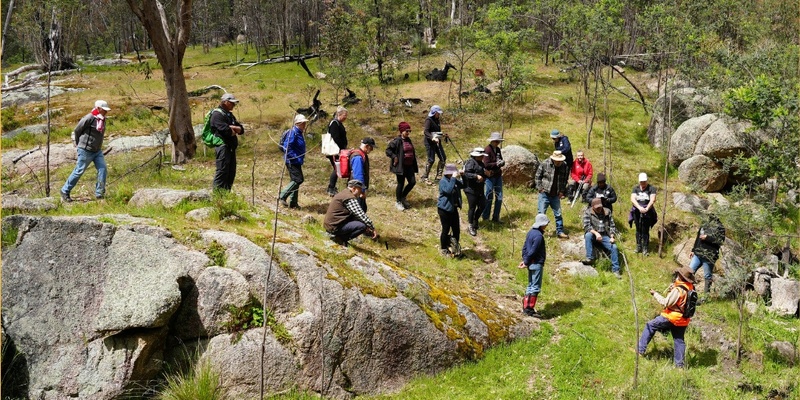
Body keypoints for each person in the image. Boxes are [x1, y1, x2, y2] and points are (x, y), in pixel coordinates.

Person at [637, 266, 696, 368]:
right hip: (684, 319)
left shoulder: (678, 290)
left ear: (680, 276)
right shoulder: (690, 287)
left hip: (672, 317)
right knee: (679, 340)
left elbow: (666, 303)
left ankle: (640, 351)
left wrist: (655, 294)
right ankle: (679, 366)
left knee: (650, 325)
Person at [61, 100, 112, 202]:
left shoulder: (102, 119)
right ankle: (65, 191)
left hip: (97, 151)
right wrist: (78, 144)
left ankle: (99, 194)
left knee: (103, 169)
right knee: (79, 171)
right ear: (98, 108)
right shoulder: (89, 118)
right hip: (85, 150)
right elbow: (77, 130)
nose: (106, 112)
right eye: (104, 110)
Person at [324, 179, 378, 246]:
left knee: (359, 221)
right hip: (334, 227)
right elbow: (360, 214)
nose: (361, 192)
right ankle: (341, 239)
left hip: (331, 225)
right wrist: (372, 228)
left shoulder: (344, 193)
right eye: (360, 190)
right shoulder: (349, 197)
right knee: (362, 226)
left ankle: (339, 236)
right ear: (354, 188)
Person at [210, 93, 245, 192]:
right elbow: (226, 131)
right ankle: (217, 194)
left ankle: (226, 193)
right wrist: (232, 129)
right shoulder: (217, 115)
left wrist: (234, 127)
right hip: (222, 147)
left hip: (231, 148)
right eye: (232, 103)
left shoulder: (229, 115)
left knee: (231, 172)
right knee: (222, 171)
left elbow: (241, 129)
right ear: (225, 102)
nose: (234, 105)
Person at [518, 213, 550, 318]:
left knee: (530, 285)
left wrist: (525, 260)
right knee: (535, 286)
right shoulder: (539, 236)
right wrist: (526, 262)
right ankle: (529, 309)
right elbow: (533, 250)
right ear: (542, 224)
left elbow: (525, 248)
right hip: (536, 263)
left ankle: (525, 307)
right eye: (546, 223)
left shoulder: (530, 233)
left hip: (530, 263)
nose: (546, 225)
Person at [582, 198, 622, 279]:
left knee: (614, 247)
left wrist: (612, 237)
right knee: (588, 235)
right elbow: (586, 226)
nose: (599, 209)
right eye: (597, 208)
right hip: (593, 234)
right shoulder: (588, 212)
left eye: (600, 207)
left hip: (605, 236)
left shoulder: (607, 211)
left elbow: (612, 226)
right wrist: (596, 234)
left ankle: (616, 270)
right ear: (592, 206)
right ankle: (590, 258)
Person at [689, 214, 726, 299]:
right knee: (689, 272)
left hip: (709, 256)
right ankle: (687, 293)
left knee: (707, 276)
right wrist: (693, 250)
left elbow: (720, 241)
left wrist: (707, 238)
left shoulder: (720, 227)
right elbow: (698, 238)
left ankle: (705, 298)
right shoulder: (705, 224)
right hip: (698, 254)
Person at [535, 151, 569, 239]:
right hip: (545, 193)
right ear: (553, 159)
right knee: (541, 213)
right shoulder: (545, 163)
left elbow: (565, 179)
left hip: (556, 195)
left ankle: (560, 231)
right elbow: (538, 176)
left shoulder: (564, 166)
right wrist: (540, 188)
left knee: (558, 214)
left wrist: (562, 191)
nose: (559, 162)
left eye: (560, 161)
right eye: (557, 161)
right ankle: (538, 233)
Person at [386, 122, 418, 211]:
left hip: (410, 165)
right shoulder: (397, 141)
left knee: (412, 182)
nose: (408, 133)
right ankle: (398, 201)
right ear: (401, 131)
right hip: (401, 166)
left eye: (409, 131)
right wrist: (394, 157)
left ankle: (403, 197)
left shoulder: (409, 140)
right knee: (401, 183)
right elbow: (388, 150)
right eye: (406, 131)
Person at [279, 114, 308, 208]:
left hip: (297, 160)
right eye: (303, 123)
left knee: (295, 180)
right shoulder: (293, 133)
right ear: (298, 123)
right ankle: (282, 196)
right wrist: (294, 157)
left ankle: (293, 203)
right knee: (298, 179)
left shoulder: (299, 133)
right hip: (292, 160)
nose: (305, 125)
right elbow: (288, 147)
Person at [437, 163, 464, 257]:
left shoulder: (454, 180)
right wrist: (453, 178)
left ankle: (455, 248)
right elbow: (448, 190)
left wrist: (463, 176)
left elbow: (464, 185)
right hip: (444, 209)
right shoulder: (443, 181)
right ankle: (444, 248)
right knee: (446, 229)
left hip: (453, 209)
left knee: (456, 229)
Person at [630, 172, 657, 255]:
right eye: (641, 182)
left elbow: (653, 199)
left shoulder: (651, 188)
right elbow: (633, 199)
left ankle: (645, 247)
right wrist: (639, 207)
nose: (643, 183)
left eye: (644, 181)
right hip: (637, 211)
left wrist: (647, 208)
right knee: (638, 229)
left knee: (645, 230)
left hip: (647, 212)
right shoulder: (635, 188)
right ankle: (638, 246)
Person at [463, 147, 488, 236]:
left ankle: (475, 219)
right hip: (470, 189)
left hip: (480, 189)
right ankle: (470, 225)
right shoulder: (470, 162)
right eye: (481, 156)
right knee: (472, 207)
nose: (482, 157)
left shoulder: (481, 163)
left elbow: (483, 174)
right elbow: (466, 174)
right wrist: (476, 176)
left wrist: (486, 175)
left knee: (483, 204)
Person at [482, 132, 505, 223]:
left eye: (498, 141)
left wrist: (501, 162)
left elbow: (500, 160)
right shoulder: (487, 150)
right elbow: (486, 164)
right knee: (489, 197)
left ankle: (496, 217)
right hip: (490, 177)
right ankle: (485, 216)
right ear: (492, 141)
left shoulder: (498, 150)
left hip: (498, 176)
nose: (497, 143)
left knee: (499, 197)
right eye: (496, 141)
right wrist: (496, 164)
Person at [325, 106, 349, 196]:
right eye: (344, 115)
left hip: (337, 150)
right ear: (339, 114)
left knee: (337, 168)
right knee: (337, 168)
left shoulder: (339, 123)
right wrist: (341, 149)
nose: (346, 117)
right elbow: (335, 138)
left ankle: (332, 187)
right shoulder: (334, 123)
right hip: (334, 151)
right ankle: (331, 188)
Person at [421, 105, 447, 185]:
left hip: (437, 142)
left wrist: (442, 135)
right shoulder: (428, 120)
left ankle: (438, 177)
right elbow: (426, 132)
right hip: (429, 143)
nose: (439, 114)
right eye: (438, 113)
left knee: (443, 158)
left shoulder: (437, 120)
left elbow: (437, 131)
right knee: (431, 160)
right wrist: (432, 138)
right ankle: (424, 177)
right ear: (434, 112)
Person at [350, 137, 375, 212]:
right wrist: (362, 191)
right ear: (367, 146)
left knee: (362, 209)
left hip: (357, 189)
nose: (372, 150)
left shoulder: (361, 154)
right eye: (371, 148)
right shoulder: (358, 157)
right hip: (357, 190)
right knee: (359, 211)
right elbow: (358, 176)